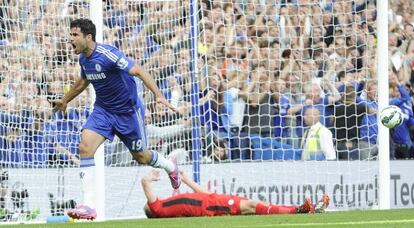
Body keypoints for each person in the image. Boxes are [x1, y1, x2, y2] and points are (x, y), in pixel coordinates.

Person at [49, 19, 181, 220]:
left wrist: (158, 95)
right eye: (70, 34)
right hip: (103, 111)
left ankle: (170, 166)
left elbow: (138, 70)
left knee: (142, 157)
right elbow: (84, 80)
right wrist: (65, 100)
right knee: (85, 147)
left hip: (128, 112)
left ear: (89, 37)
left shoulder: (108, 54)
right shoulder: (83, 59)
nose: (70, 39)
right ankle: (88, 205)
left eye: (75, 35)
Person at [141, 170, 330, 218]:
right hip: (212, 206)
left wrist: (187, 179)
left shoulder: (167, 204)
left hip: (211, 200)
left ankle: (306, 209)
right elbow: (147, 188)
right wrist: (147, 179)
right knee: (252, 206)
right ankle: (298, 210)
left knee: (253, 204)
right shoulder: (160, 210)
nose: (150, 200)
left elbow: (203, 193)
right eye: (148, 202)